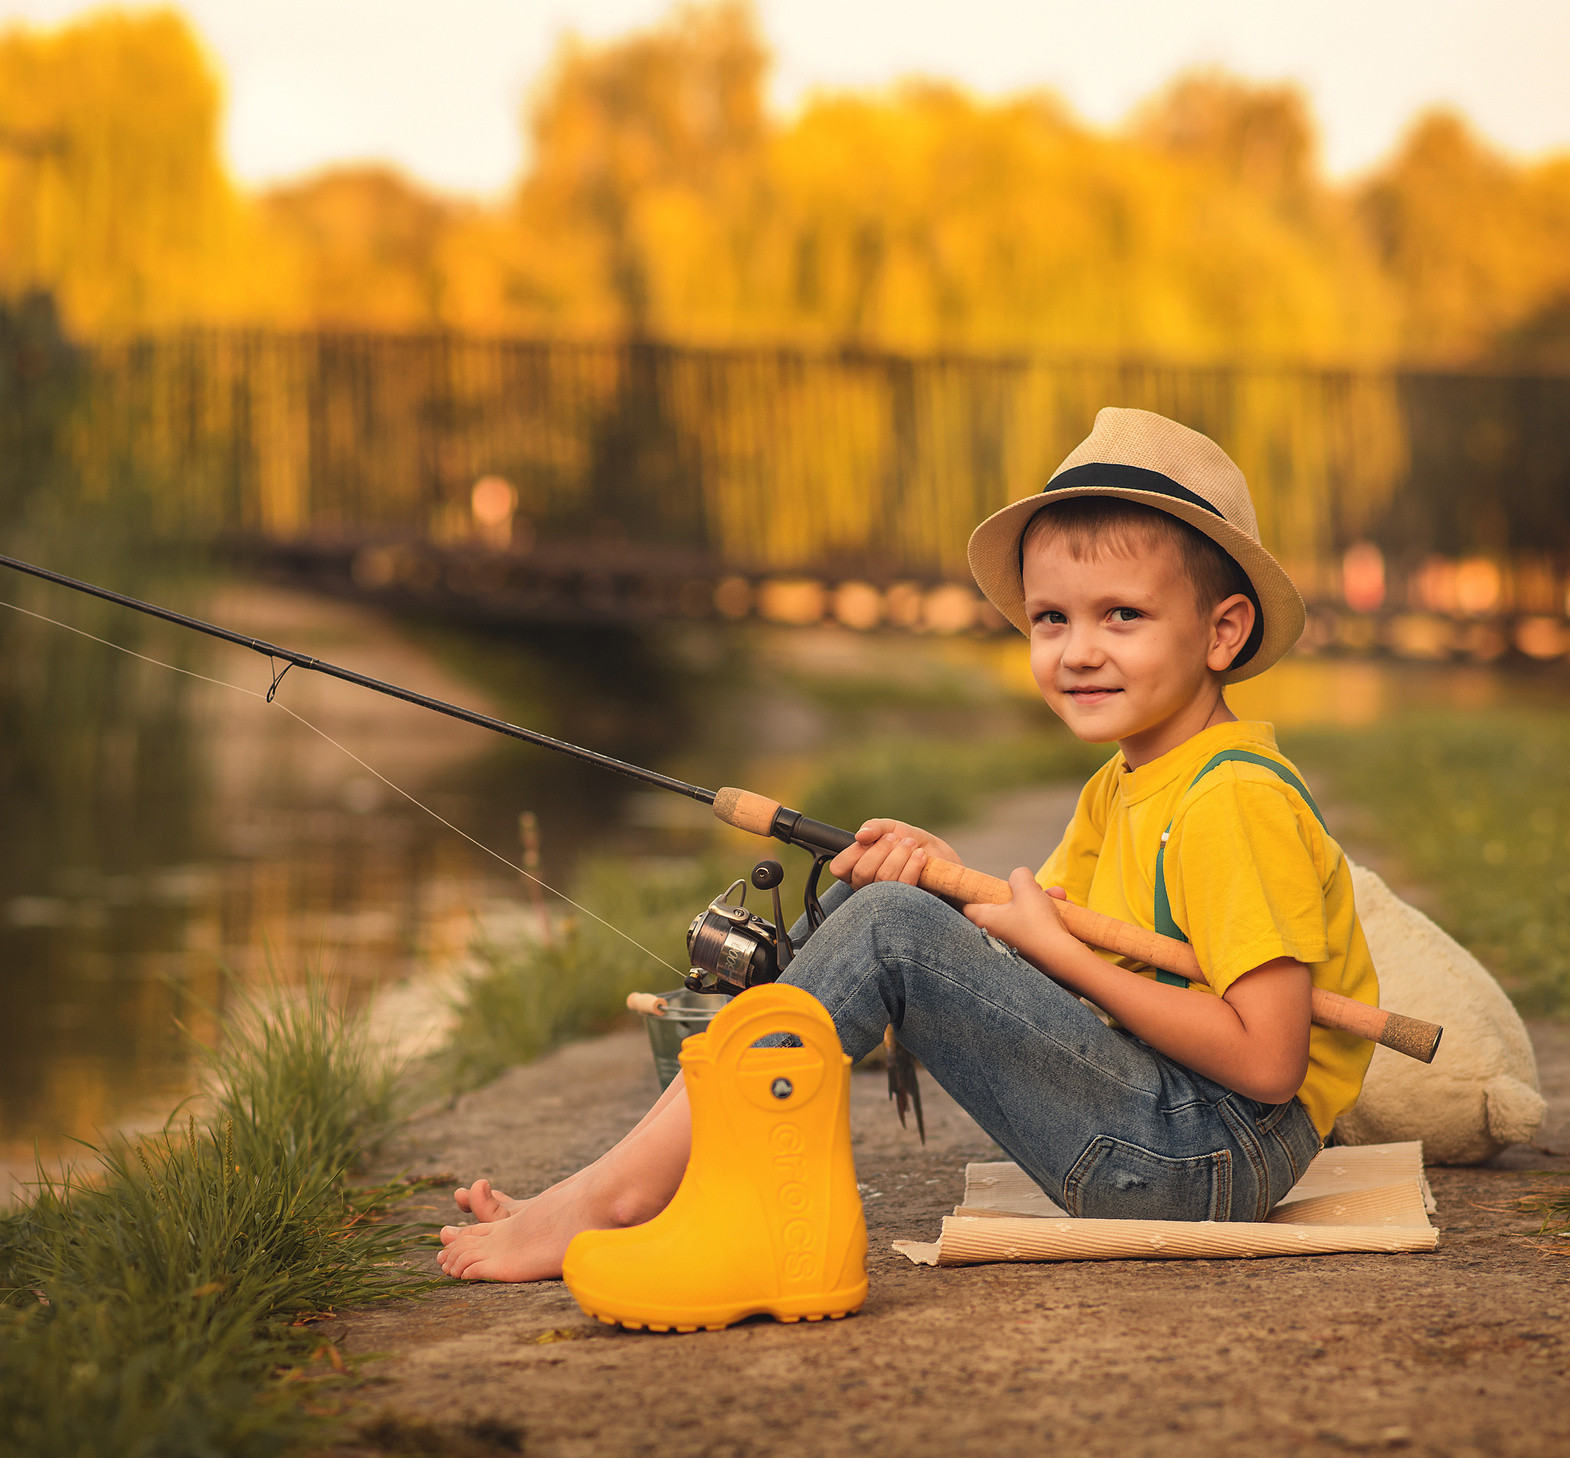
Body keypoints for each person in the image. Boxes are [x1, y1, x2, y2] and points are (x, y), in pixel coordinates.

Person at [439, 408, 1380, 1282]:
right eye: (1052, 618)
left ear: (1223, 631)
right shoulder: (1126, 783)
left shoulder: (1231, 803)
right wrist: (944, 878)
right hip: (1162, 1118)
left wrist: (1052, 953)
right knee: (890, 900)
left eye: (1121, 615)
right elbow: (1025, 941)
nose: (1077, 650)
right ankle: (639, 1176)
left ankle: (623, 1193)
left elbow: (1268, 1063)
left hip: (1205, 1154)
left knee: (891, 927)